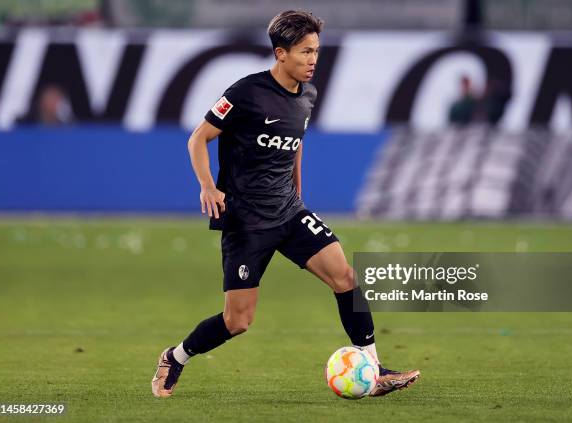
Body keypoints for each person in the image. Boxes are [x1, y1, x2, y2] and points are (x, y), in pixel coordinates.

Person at [151, 10, 420, 398]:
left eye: (316, 52)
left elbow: (294, 146)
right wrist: (208, 187)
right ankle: (176, 357)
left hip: (290, 212)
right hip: (246, 221)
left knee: (344, 275)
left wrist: (298, 192)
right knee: (238, 321)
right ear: (281, 53)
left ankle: (373, 368)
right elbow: (197, 139)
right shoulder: (245, 93)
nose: (313, 60)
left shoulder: (307, 95)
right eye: (305, 52)